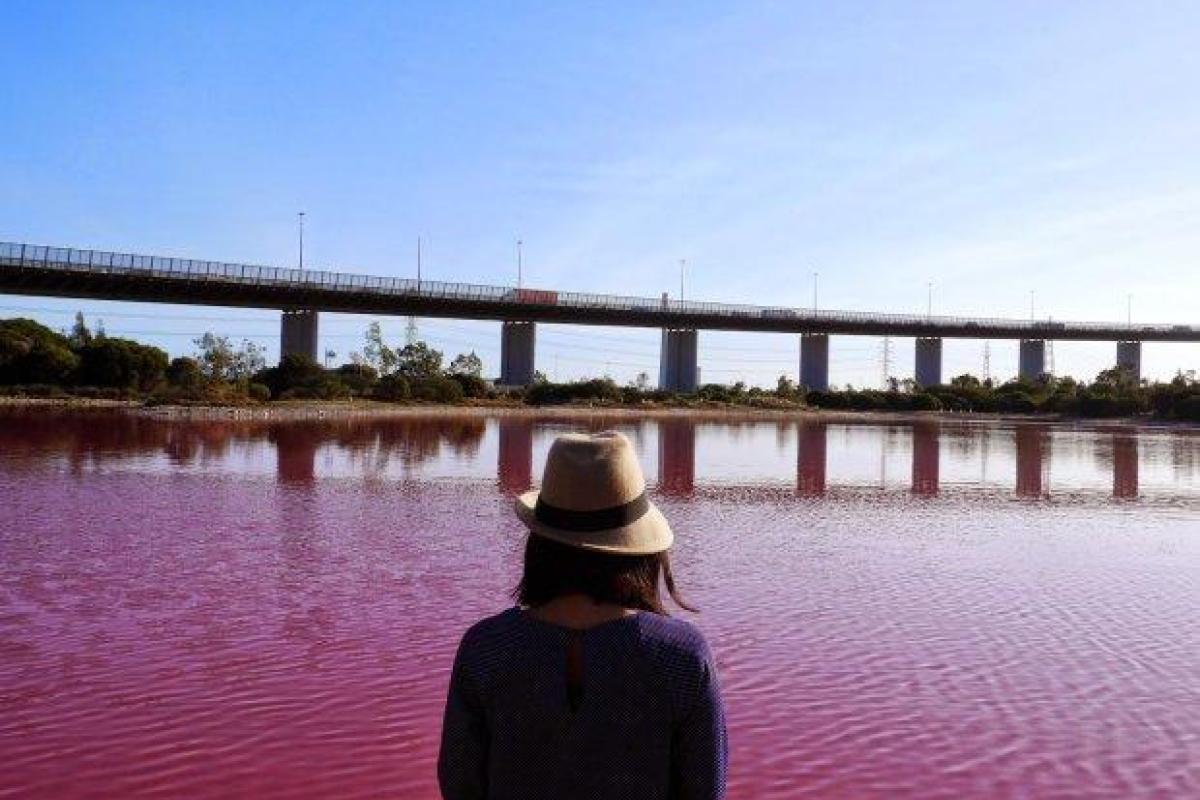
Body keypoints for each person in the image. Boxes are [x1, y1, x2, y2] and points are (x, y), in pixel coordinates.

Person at [438, 430, 727, 800]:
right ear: (640, 549)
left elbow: (460, 784)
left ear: (540, 542)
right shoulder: (682, 656)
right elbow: (706, 789)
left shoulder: (486, 648)